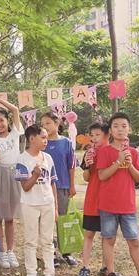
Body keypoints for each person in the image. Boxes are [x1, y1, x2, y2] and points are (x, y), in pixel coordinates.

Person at [97, 112, 139, 276]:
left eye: (124, 125)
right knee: (109, 239)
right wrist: (118, 161)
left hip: (128, 205)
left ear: (129, 129)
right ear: (110, 130)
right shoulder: (104, 151)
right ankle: (111, 275)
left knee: (134, 241)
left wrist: (129, 164)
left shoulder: (132, 152)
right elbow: (102, 175)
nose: (120, 129)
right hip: (108, 205)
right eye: (116, 126)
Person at [15, 124, 58, 276]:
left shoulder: (48, 158)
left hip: (47, 203)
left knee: (48, 241)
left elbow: (52, 183)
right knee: (30, 241)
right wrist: (35, 174)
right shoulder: (22, 159)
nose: (46, 141)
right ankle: (31, 274)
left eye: (46, 137)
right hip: (30, 204)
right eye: (43, 137)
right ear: (32, 139)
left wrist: (55, 206)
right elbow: (25, 187)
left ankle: (50, 274)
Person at [0, 94, 23, 269]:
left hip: (14, 174)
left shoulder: (15, 133)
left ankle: (10, 251)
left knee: (10, 217)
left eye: (2, 120)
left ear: (7, 121)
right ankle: (1, 251)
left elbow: (15, 109)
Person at [40, 112, 77, 267]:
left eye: (48, 123)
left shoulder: (66, 142)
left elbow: (71, 165)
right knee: (47, 221)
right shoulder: (42, 143)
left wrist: (72, 185)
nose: (45, 127)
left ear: (57, 124)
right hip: (44, 188)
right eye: (43, 124)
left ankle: (66, 252)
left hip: (62, 186)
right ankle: (51, 254)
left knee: (62, 220)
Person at [76, 123, 109, 276]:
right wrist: (88, 165)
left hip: (109, 199)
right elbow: (86, 178)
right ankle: (85, 267)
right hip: (92, 197)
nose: (94, 138)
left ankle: (106, 266)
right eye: (92, 135)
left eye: (98, 135)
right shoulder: (89, 152)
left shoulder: (111, 151)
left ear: (106, 136)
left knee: (107, 235)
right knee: (89, 234)